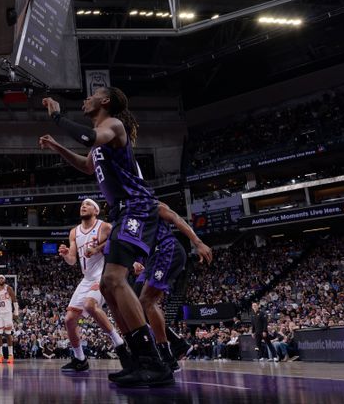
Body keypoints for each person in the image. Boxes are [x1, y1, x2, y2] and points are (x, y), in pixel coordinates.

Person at [39, 87, 173, 387]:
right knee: (109, 290)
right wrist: (57, 147)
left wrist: (58, 117)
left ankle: (154, 362)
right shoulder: (100, 142)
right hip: (122, 211)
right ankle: (138, 360)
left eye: (91, 96)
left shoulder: (112, 125)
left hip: (136, 207)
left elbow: (87, 137)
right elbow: (88, 166)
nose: (85, 100)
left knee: (113, 281)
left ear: (105, 102)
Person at [133, 202, 213, 371]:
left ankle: (167, 353)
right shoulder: (126, 214)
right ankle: (177, 344)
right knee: (138, 305)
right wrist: (136, 262)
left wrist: (197, 243)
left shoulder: (151, 204)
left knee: (145, 301)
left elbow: (176, 218)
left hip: (166, 250)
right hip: (151, 260)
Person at [57, 198, 129, 372]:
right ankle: (80, 359)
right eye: (82, 204)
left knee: (90, 305)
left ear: (96, 211)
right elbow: (73, 261)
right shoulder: (74, 232)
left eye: (88, 204)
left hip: (102, 275)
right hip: (87, 278)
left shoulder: (104, 227)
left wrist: (97, 249)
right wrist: (66, 255)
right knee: (69, 320)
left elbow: (118, 241)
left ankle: (120, 345)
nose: (83, 206)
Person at [0, 275, 18, 364]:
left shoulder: (8, 288)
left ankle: (10, 355)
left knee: (8, 334)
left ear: (4, 280)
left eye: (2, 278)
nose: (1, 279)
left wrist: (16, 312)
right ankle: (0, 355)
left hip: (8, 313)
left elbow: (14, 299)